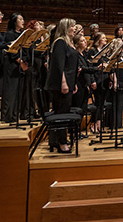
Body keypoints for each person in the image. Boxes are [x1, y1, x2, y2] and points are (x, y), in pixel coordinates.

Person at [44, 18, 78, 152]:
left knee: (62, 112)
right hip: (60, 85)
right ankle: (61, 142)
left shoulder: (69, 42)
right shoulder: (60, 42)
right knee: (62, 114)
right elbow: (59, 65)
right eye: (72, 26)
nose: (74, 29)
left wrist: (73, 82)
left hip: (68, 82)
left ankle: (55, 141)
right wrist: (64, 83)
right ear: (65, 27)